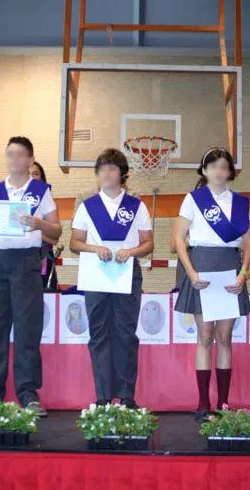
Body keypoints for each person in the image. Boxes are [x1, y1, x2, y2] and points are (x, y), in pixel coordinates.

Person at [0, 137, 61, 416]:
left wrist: (39, 223)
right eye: (9, 154)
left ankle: (28, 393)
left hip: (26, 263)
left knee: (27, 329)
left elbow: (56, 231)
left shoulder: (41, 191)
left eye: (20, 155)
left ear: (30, 159)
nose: (14, 159)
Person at [172, 148, 250, 421]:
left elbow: (248, 242)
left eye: (223, 167)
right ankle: (204, 402)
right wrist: (191, 273)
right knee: (205, 336)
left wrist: (243, 273)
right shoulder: (193, 200)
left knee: (225, 338)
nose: (219, 171)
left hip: (230, 269)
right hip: (202, 267)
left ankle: (224, 402)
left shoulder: (241, 203)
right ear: (204, 171)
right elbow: (179, 239)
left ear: (230, 171)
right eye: (213, 166)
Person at [69, 149, 154, 407]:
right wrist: (96, 249)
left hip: (127, 274)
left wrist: (131, 252)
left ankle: (127, 396)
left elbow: (149, 243)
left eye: (112, 168)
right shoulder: (87, 206)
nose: (107, 173)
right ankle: (103, 396)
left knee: (126, 334)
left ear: (122, 173)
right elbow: (74, 242)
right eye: (102, 168)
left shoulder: (137, 206)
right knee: (99, 334)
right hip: (96, 275)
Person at [30, 161, 60, 290]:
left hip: (43, 256)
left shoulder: (49, 205)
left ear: (42, 178)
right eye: (27, 174)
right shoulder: (15, 203)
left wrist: (35, 228)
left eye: (35, 174)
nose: (31, 177)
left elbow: (54, 239)